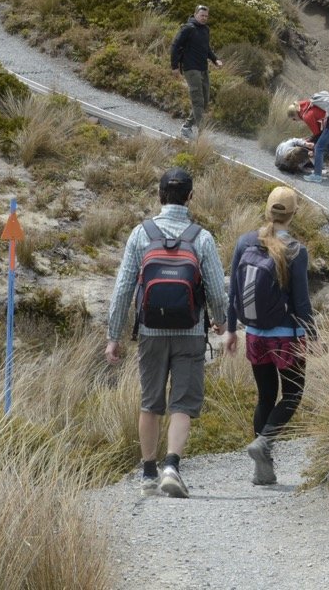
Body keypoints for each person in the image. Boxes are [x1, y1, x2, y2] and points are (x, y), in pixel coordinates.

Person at [104, 167, 229, 499]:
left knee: (150, 402)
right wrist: (222, 322)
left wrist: (113, 336)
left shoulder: (140, 235)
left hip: (150, 332)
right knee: (182, 403)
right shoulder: (201, 237)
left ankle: (148, 475)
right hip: (190, 332)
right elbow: (217, 291)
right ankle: (172, 467)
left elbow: (122, 290)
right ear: (190, 197)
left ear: (160, 196)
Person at [225, 186, 315, 486]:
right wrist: (312, 337)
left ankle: (261, 470)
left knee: (265, 396)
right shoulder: (296, 250)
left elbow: (233, 292)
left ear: (267, 210)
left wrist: (230, 329)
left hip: (254, 334)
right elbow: (302, 303)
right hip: (286, 338)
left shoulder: (245, 241)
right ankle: (264, 444)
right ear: (293, 214)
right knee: (292, 395)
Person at [169, 4, 221, 139]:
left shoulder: (205, 30)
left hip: (203, 68)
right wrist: (174, 67)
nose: (204, 18)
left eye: (206, 16)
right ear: (195, 14)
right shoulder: (188, 28)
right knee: (197, 101)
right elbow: (175, 46)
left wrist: (215, 60)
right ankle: (202, 134)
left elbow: (206, 48)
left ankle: (186, 127)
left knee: (205, 101)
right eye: (202, 15)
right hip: (191, 69)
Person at [299, 91, 329, 183]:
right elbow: (320, 132)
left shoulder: (308, 114)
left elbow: (318, 134)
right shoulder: (317, 106)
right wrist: (311, 138)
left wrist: (310, 142)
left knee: (319, 147)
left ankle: (317, 175)